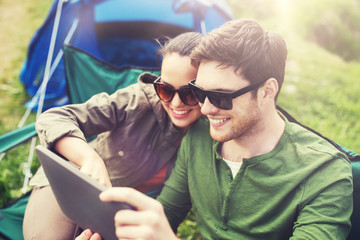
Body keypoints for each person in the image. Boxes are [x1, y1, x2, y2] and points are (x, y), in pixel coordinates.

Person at [76, 18, 353, 240]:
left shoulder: (324, 173)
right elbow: (168, 210)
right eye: (199, 92)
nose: (205, 109)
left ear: (267, 91)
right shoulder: (197, 137)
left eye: (221, 96)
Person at [22, 32, 204, 239]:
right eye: (165, 89)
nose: (176, 103)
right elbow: (53, 118)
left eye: (190, 93)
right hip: (71, 183)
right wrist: (89, 159)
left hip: (117, 212)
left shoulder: (212, 133)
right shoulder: (136, 101)